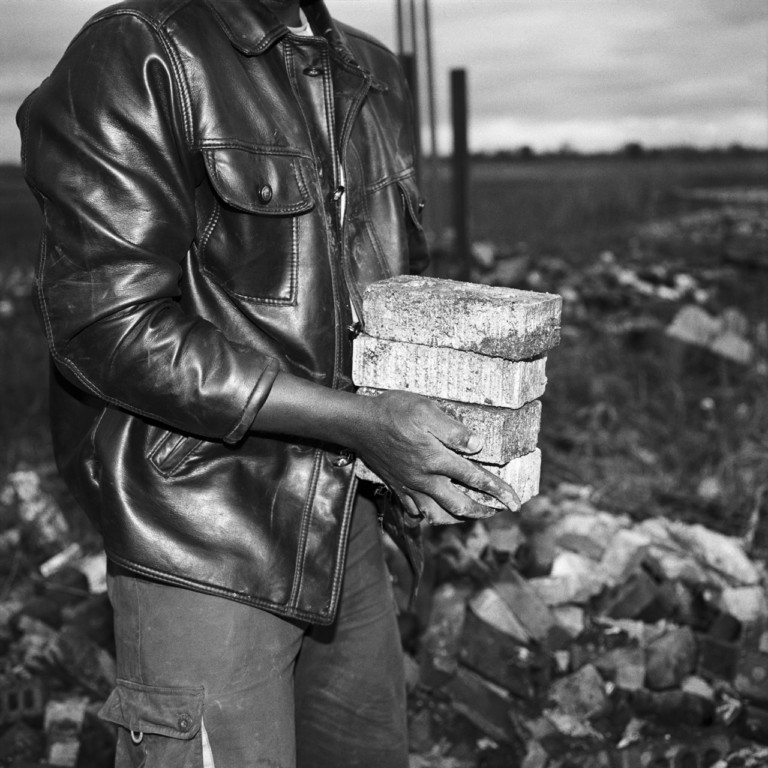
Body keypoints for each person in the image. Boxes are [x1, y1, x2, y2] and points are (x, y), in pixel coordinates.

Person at [17, 0, 521, 765]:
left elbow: (385, 288)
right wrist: (359, 422)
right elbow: (107, 325)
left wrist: (449, 403)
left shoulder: (372, 70)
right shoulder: (141, 51)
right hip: (202, 531)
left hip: (348, 518)